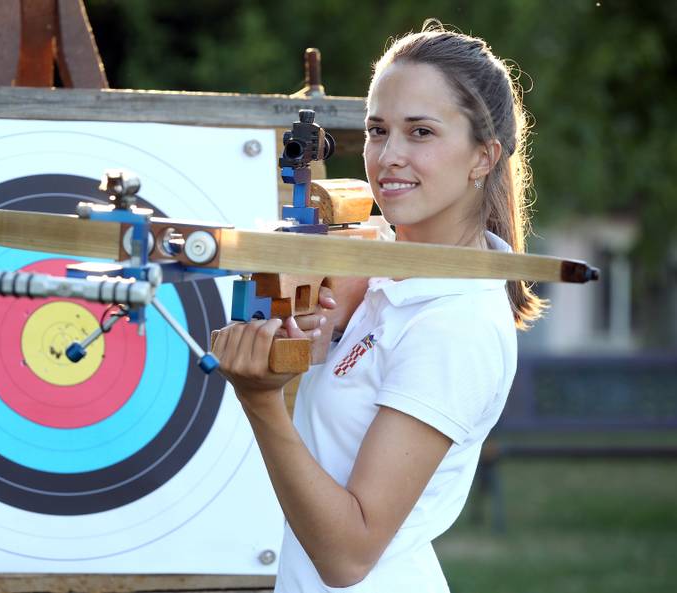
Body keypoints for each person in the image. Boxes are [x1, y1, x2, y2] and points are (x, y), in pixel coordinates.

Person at [211, 22, 546, 592]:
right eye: (376, 130)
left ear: (482, 157)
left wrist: (260, 401)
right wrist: (321, 334)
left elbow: (348, 556)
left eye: (420, 132)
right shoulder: (387, 276)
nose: (388, 156)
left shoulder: (454, 324)